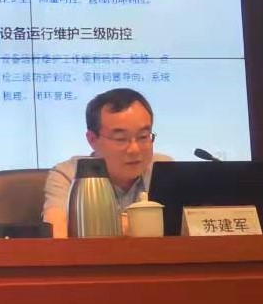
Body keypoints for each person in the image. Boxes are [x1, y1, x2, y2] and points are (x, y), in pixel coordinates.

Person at [42, 87, 171, 238]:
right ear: (92, 139)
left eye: (143, 136)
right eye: (120, 139)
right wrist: (140, 224)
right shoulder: (70, 175)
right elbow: (57, 234)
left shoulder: (163, 168)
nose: (134, 149)